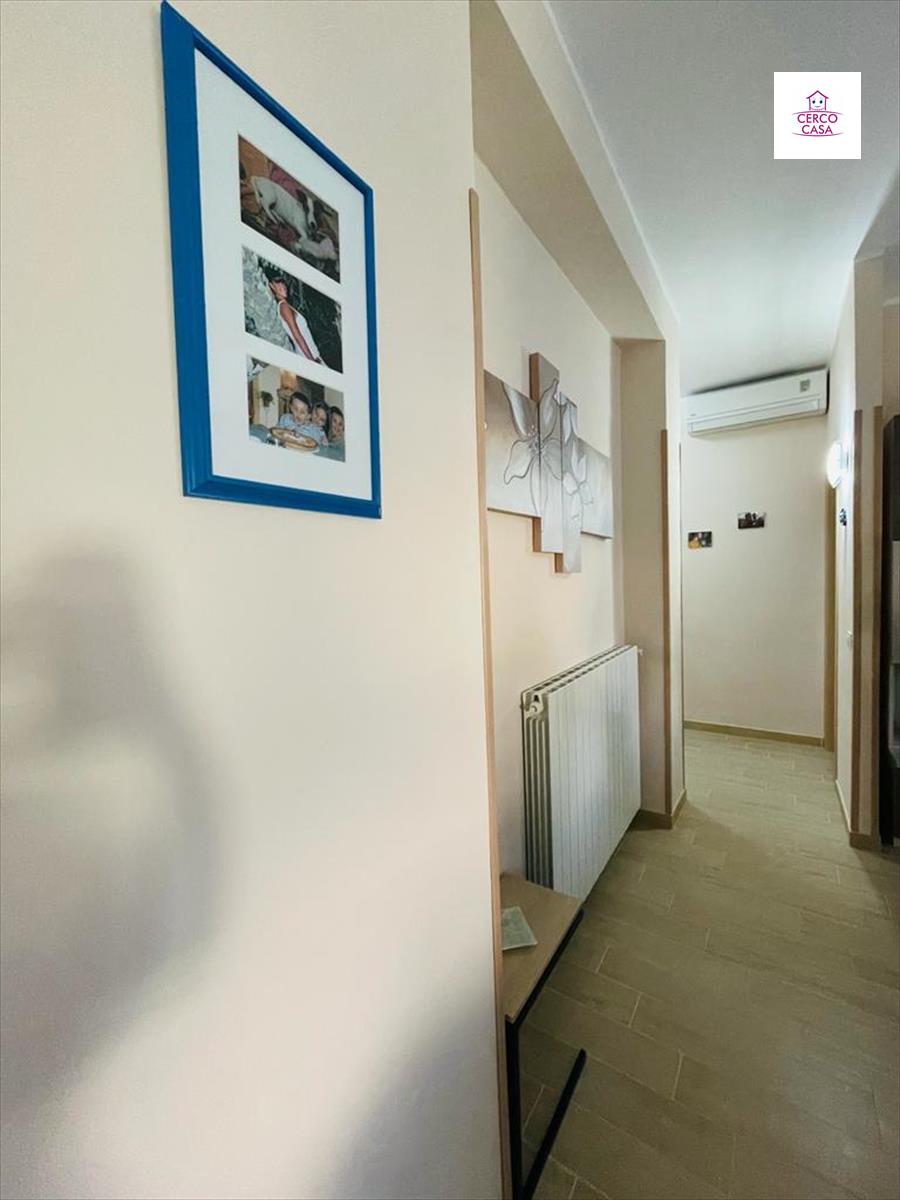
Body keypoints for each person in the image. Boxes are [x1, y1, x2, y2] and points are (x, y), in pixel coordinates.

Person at [267, 277, 323, 363]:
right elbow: (297, 335)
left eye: (283, 283)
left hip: (310, 353)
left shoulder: (285, 306)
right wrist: (311, 360)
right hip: (308, 355)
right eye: (278, 283)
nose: (283, 286)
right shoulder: (284, 307)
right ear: (272, 286)